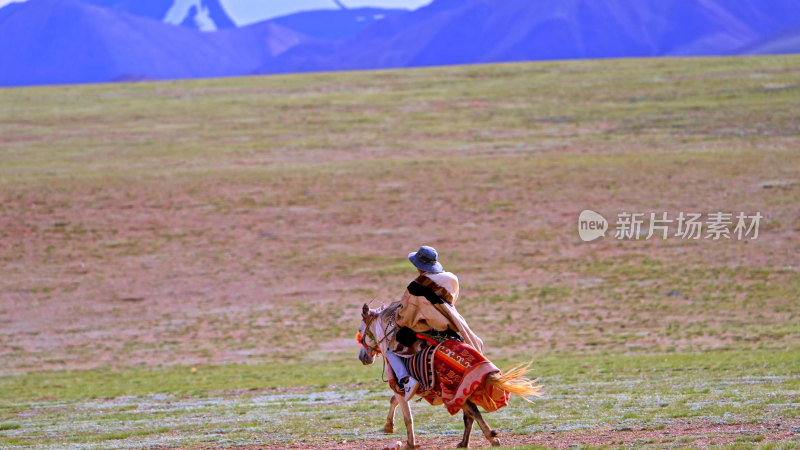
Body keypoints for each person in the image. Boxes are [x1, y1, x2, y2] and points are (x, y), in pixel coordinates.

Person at [385, 246, 484, 401]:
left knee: (391, 349)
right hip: (451, 326)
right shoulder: (451, 278)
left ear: (418, 266)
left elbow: (408, 316)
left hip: (427, 329)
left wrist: (399, 319)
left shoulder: (415, 286)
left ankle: (407, 380)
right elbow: (450, 301)